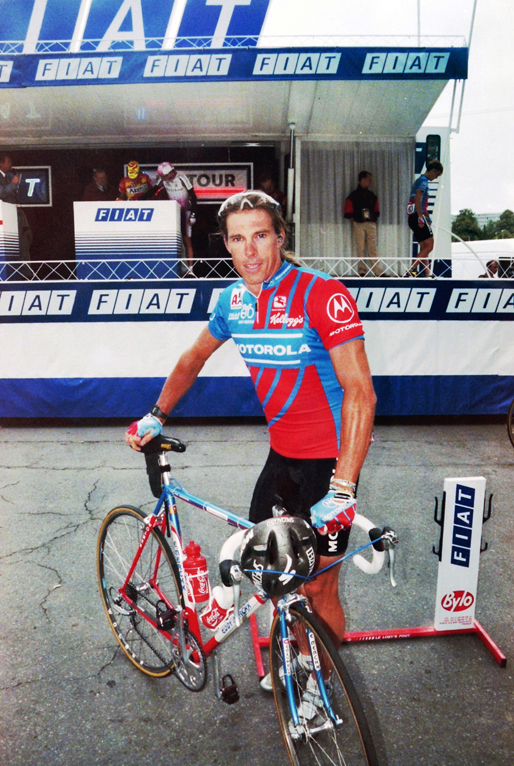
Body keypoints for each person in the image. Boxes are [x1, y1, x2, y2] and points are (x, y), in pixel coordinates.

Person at [126, 191, 377, 695]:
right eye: (238, 240)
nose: (251, 251)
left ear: (280, 237)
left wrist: (344, 487)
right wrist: (157, 413)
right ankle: (287, 648)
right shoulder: (232, 301)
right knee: (264, 569)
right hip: (281, 457)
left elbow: (361, 394)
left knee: (319, 582)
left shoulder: (321, 294)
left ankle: (317, 685)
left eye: (261, 235)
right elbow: (193, 358)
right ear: (227, 246)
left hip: (328, 464)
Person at [150, 162, 197, 272]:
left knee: (187, 240)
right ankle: (175, 268)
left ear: (170, 173)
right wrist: (137, 201)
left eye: (163, 176)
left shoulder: (182, 178)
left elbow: (193, 196)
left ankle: (191, 270)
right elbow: (153, 191)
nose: (162, 179)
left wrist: (193, 213)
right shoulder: (163, 180)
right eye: (161, 177)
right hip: (173, 213)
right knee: (173, 240)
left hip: (185, 212)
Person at [406, 159, 444, 278]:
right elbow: (418, 197)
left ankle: (427, 273)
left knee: (424, 247)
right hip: (417, 216)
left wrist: (427, 217)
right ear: (433, 170)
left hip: (413, 217)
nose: (436, 178)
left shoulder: (419, 180)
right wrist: (421, 217)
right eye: (437, 174)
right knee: (430, 245)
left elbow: (422, 203)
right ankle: (412, 269)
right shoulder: (424, 181)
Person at [344, 171, 383, 277]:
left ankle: (377, 270)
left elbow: (376, 209)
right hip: (359, 224)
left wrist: (373, 218)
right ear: (362, 180)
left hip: (370, 223)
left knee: (372, 247)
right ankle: (362, 270)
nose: (370, 182)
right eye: (368, 179)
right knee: (360, 247)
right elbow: (348, 209)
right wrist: (353, 219)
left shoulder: (372, 196)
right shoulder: (353, 195)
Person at [0, 151, 32, 264]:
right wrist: (13, 184)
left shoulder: (7, 176)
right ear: (1, 163)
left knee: (21, 240)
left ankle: (22, 267)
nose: (11, 164)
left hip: (13, 214)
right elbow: (2, 193)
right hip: (4, 216)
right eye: (8, 162)